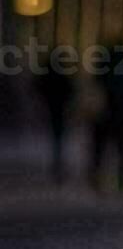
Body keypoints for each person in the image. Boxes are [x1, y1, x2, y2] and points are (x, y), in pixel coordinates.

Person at [89, 42, 123, 190]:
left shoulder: (102, 70)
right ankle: (122, 179)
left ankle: (97, 177)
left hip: (104, 118)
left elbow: (95, 93)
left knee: (101, 151)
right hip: (122, 118)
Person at [34, 53, 77, 183]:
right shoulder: (62, 73)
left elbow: (38, 85)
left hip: (53, 106)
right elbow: (70, 87)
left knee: (57, 135)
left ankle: (57, 162)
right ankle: (58, 162)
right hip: (59, 107)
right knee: (58, 135)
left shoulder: (51, 73)